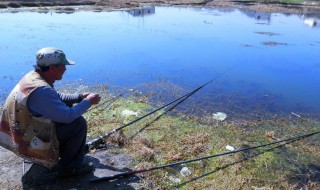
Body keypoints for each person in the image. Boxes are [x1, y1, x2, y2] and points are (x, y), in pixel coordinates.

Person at [0, 47, 101, 177]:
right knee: (78, 124)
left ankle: (64, 154)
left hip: (19, 134)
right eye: (63, 66)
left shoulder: (33, 77)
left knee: (67, 108)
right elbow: (68, 116)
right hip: (26, 142)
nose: (65, 69)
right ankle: (70, 169)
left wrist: (79, 97)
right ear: (53, 68)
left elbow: (54, 97)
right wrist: (88, 102)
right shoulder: (41, 91)